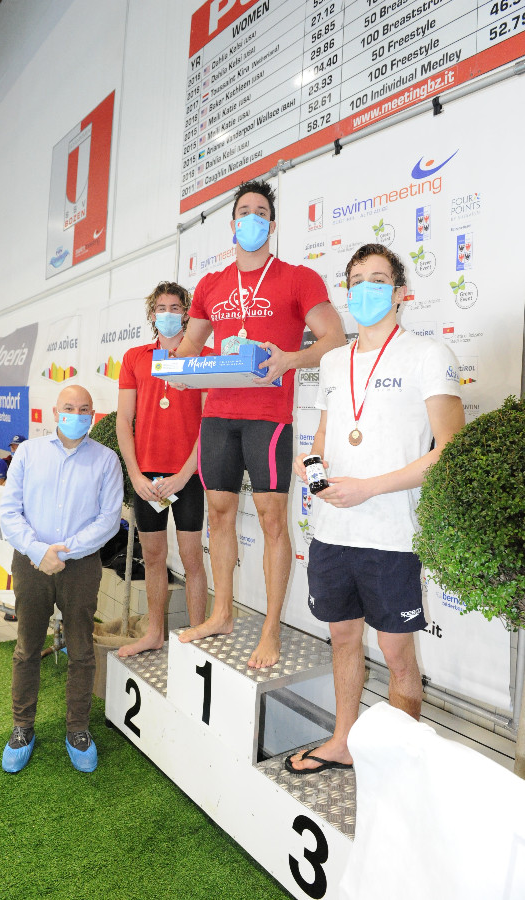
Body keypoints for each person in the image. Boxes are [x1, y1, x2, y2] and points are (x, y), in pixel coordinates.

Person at [285, 243, 465, 774]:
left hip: (391, 534)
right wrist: (310, 464)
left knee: (396, 652)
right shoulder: (333, 361)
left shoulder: (428, 354)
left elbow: (450, 450)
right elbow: (324, 435)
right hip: (331, 530)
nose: (366, 288)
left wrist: (370, 488)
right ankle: (343, 741)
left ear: (400, 292)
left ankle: (397, 769)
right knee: (343, 637)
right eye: (357, 279)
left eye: (379, 279)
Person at [176, 179, 346, 668]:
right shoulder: (211, 285)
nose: (251, 218)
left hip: (268, 417)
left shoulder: (297, 278)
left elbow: (334, 339)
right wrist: (177, 369)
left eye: (261, 212)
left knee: (272, 519)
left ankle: (271, 629)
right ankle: (222, 613)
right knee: (219, 514)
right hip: (218, 415)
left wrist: (290, 359)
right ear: (232, 224)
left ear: (271, 225)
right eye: (244, 211)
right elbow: (190, 346)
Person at [0, 384, 123, 773]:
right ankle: (22, 727)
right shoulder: (28, 453)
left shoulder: (106, 460)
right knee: (26, 648)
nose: (77, 414)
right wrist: (39, 551)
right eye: (69, 407)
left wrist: (63, 552)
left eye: (85, 409)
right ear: (55, 412)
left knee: (82, 650)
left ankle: (78, 729)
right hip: (30, 563)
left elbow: (109, 519)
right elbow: (9, 510)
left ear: (93, 415)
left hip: (81, 566)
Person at [115, 281, 209, 657]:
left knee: (191, 559)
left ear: (186, 313)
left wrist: (184, 475)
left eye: (175, 307)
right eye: (161, 307)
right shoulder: (135, 358)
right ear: (152, 313)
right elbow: (123, 421)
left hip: (188, 477)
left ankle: (198, 637)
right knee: (153, 558)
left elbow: (210, 423)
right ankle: (155, 633)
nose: (167, 313)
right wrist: (136, 475)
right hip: (148, 479)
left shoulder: (203, 356)